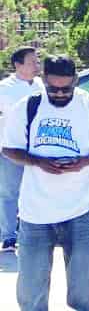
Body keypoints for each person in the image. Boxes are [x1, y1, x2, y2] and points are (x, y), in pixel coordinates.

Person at [3, 56, 89, 311]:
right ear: (45, 80)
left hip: (83, 204)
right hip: (35, 208)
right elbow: (9, 149)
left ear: (75, 80)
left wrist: (84, 162)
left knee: (85, 270)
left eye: (66, 89)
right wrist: (38, 161)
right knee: (32, 273)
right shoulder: (27, 106)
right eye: (54, 90)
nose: (60, 95)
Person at [0, 46, 43, 253]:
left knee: (37, 191)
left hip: (38, 149)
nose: (37, 65)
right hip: (12, 149)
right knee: (10, 193)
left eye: (38, 61)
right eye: (33, 62)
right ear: (18, 65)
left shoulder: (40, 85)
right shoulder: (5, 88)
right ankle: (9, 237)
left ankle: (35, 233)